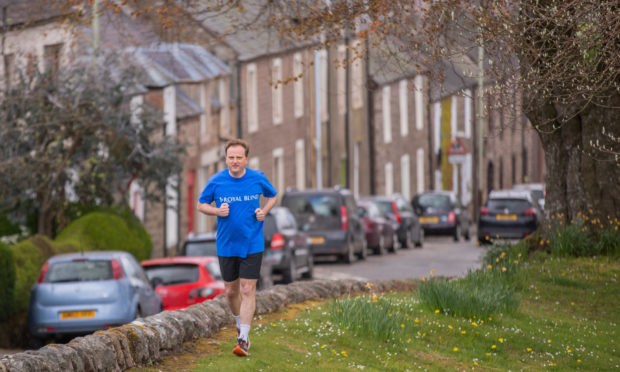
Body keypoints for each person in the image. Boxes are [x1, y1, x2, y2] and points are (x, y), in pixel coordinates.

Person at [197, 139, 277, 357]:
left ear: (246, 159)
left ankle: (243, 339)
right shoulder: (216, 181)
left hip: (252, 242)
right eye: (231, 157)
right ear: (226, 159)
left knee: (248, 289)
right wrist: (216, 211)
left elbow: (273, 195)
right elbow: (201, 204)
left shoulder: (257, 178)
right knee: (231, 291)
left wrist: (264, 211)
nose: (234, 161)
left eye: (238, 157)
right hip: (226, 244)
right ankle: (238, 324)